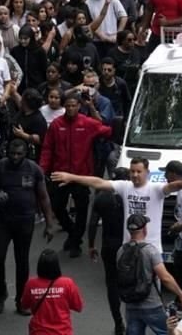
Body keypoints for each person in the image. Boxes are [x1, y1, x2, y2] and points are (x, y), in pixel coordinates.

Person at [51, 156, 182, 254]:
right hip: (128, 247)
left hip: (151, 249)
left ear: (147, 172)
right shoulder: (125, 186)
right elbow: (98, 182)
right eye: (132, 171)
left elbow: (170, 187)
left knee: (152, 288)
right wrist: (72, 177)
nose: (135, 175)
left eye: (139, 171)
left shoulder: (155, 189)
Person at [0, 137, 56, 315]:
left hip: (25, 221)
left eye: (19, 154)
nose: (15, 157)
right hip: (2, 221)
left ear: (25, 154)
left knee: (22, 260)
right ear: (7, 153)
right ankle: (1, 293)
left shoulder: (34, 169)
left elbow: (44, 197)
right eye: (12, 153)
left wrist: (49, 223)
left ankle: (21, 299)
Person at [38, 91, 113, 257]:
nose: (71, 108)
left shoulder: (86, 123)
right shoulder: (56, 125)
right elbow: (47, 149)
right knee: (57, 207)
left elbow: (107, 131)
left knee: (81, 210)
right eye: (68, 106)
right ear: (64, 107)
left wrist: (95, 113)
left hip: (81, 175)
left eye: (74, 106)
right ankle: (73, 234)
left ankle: (75, 242)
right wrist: (42, 170)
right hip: (59, 174)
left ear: (79, 106)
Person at [117, 214, 182, 335]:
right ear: (145, 229)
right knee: (168, 332)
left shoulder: (121, 251)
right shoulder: (150, 250)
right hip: (151, 304)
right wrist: (181, 295)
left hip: (130, 304)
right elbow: (165, 278)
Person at [87, 166, 128, 335]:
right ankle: (133, 319)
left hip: (109, 244)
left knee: (112, 283)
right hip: (127, 245)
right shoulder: (130, 196)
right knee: (132, 282)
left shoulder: (102, 197)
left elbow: (92, 223)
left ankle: (118, 322)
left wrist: (90, 245)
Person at [20, 249, 83, 335]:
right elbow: (78, 307)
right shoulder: (67, 283)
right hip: (63, 332)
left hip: (39, 331)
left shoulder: (31, 284)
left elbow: (24, 305)